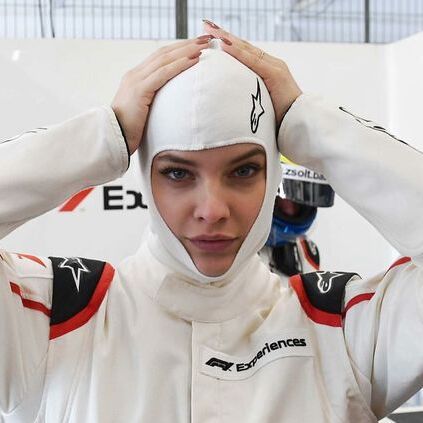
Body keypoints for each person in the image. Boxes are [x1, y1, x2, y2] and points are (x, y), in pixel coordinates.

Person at [1, 20, 423, 422]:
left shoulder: (343, 332)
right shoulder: (52, 325)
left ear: (272, 175)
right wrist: (104, 135)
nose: (212, 209)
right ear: (146, 175)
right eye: (178, 173)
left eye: (243, 171)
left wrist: (307, 123)